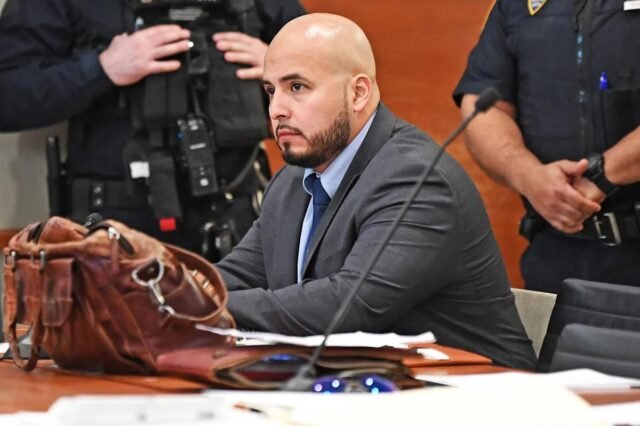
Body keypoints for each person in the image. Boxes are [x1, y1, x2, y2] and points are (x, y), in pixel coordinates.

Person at [216, 13, 536, 370]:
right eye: (271, 91)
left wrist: (206, 307)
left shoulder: (416, 180)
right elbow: (235, 277)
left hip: (475, 389)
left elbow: (349, 306)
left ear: (358, 93)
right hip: (361, 382)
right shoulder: (293, 181)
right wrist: (173, 290)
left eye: (297, 87)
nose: (276, 110)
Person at [0, 0, 305, 259]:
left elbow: (327, 75)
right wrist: (102, 68)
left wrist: (284, 69)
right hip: (114, 230)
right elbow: (8, 97)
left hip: (240, 219)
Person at [453, 0, 640, 293]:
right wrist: (528, 176)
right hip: (554, 255)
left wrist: (603, 176)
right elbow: (484, 106)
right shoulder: (513, 7)